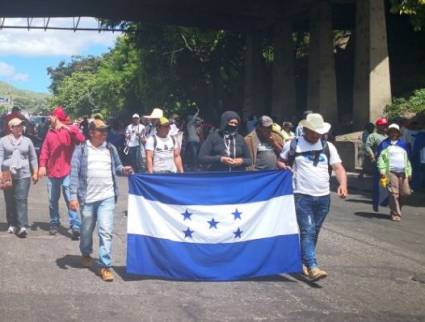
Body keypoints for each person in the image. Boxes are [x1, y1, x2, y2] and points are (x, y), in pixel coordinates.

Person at [277, 113, 347, 281]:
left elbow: (338, 167)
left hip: (323, 196)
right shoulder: (293, 144)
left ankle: (302, 262)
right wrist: (283, 167)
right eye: (313, 132)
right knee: (307, 230)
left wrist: (343, 184)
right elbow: (280, 161)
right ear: (306, 130)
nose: (316, 135)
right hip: (301, 195)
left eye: (319, 132)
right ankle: (313, 266)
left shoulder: (328, 146)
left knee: (314, 231)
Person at [69, 119, 133, 282]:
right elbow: (74, 174)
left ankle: (105, 266)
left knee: (105, 230)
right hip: (87, 198)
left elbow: (117, 168)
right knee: (86, 231)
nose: (104, 133)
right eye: (101, 130)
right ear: (91, 132)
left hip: (107, 197)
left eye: (106, 130)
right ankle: (85, 252)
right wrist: (73, 196)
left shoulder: (110, 149)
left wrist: (124, 170)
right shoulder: (81, 150)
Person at [38, 106, 85, 237]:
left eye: (51, 115)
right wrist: (42, 165)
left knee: (70, 199)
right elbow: (44, 151)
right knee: (52, 200)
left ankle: (75, 225)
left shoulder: (70, 130)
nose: (49, 117)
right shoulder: (50, 133)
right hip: (52, 173)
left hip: (68, 172)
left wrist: (67, 128)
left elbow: (81, 139)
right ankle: (54, 222)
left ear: (57, 117)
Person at [0, 118, 38, 237]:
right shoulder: (3, 141)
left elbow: (33, 157)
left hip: (24, 174)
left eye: (21, 126)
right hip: (7, 173)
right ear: (11, 128)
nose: (20, 128)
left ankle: (22, 226)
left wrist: (35, 171)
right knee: (9, 200)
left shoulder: (27, 141)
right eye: (17, 126)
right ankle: (12, 223)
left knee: (21, 200)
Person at [377, 124, 412, 221]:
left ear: (398, 133)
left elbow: (407, 159)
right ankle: (395, 213)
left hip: (403, 172)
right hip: (391, 172)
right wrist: (382, 171)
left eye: (395, 131)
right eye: (391, 131)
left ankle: (397, 208)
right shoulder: (384, 144)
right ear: (388, 133)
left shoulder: (404, 144)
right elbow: (381, 159)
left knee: (406, 193)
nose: (393, 133)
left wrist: (409, 172)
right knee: (394, 193)